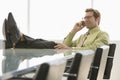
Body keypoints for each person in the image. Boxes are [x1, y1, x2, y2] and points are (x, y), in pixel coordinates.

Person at [3, 8, 109, 51]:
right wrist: (74, 31)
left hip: (82, 64)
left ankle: (19, 38)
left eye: (88, 17)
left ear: (97, 19)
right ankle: (17, 41)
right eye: (84, 17)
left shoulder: (103, 34)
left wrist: (70, 49)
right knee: (44, 42)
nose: (85, 20)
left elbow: (94, 49)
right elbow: (65, 43)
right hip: (76, 60)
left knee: (51, 45)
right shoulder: (83, 36)